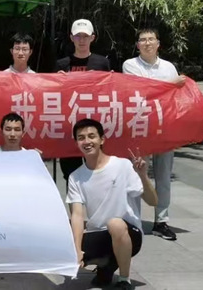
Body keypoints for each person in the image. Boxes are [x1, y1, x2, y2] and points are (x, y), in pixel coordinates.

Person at [67, 118, 157, 290]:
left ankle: (124, 279)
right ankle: (106, 267)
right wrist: (77, 250)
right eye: (81, 138)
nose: (87, 141)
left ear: (102, 139)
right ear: (76, 142)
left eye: (92, 136)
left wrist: (143, 176)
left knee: (115, 224)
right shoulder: (76, 177)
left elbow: (153, 201)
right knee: (66, 247)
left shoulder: (122, 165)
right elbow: (77, 215)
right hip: (99, 233)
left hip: (129, 234)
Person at [122, 28, 186, 241]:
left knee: (163, 176)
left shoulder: (168, 67)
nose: (147, 43)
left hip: (164, 128)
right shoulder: (130, 65)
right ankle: (134, 221)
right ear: (137, 45)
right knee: (137, 174)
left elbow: (175, 97)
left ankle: (162, 221)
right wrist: (171, 84)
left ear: (158, 44)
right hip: (140, 127)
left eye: (151, 39)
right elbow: (142, 91)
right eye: (143, 40)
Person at [56, 19, 110, 183]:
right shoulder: (62, 64)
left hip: (94, 124)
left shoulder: (102, 63)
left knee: (97, 172)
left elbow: (110, 92)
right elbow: (53, 96)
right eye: (77, 36)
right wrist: (57, 81)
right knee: (71, 175)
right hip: (69, 127)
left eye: (85, 36)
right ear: (71, 38)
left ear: (92, 38)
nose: (81, 40)